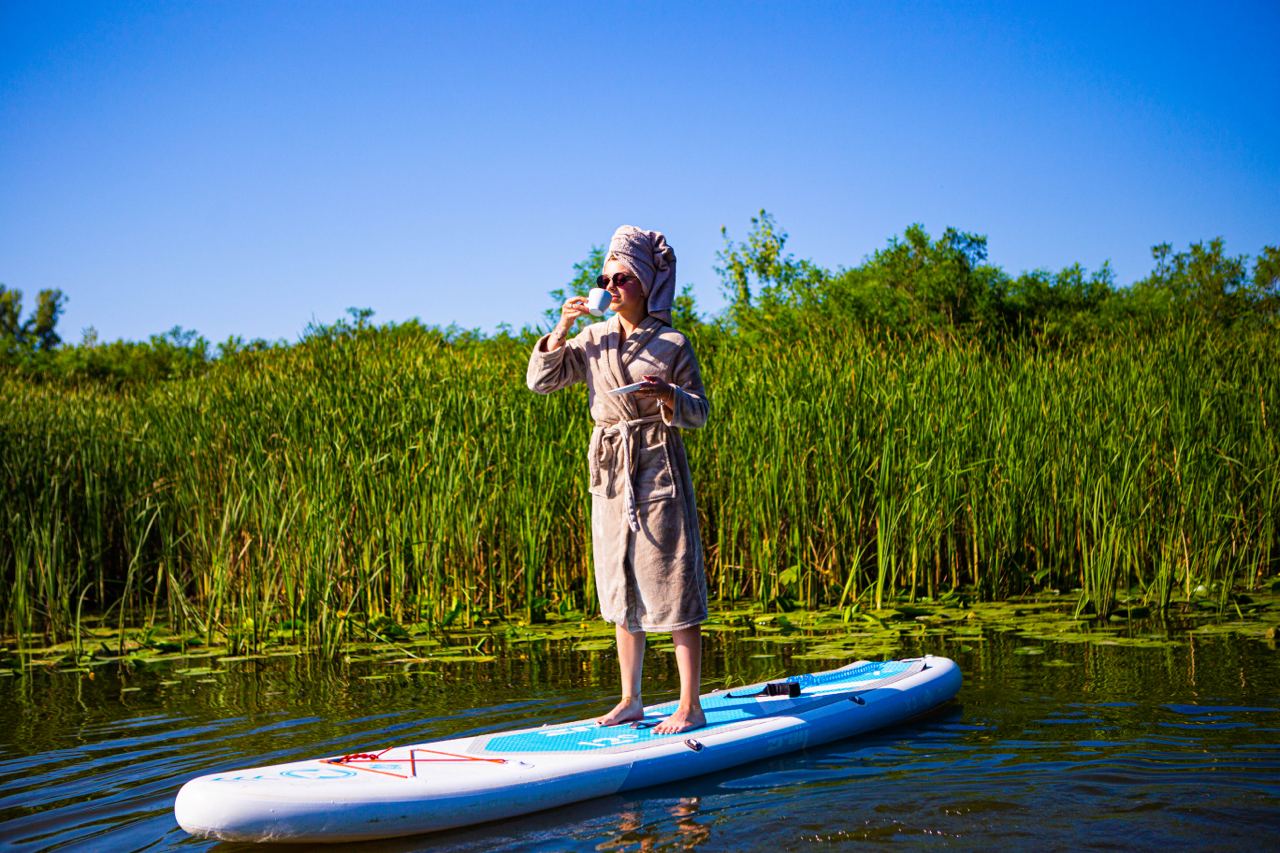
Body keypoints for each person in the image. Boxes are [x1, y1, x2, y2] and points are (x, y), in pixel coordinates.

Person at [527, 225, 709, 735]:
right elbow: (541, 382)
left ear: (646, 283)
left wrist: (669, 392)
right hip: (608, 469)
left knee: (669, 578)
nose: (611, 285)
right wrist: (560, 328)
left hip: (656, 464)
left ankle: (689, 704)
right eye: (605, 276)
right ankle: (630, 699)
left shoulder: (673, 342)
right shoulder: (592, 338)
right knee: (620, 581)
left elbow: (699, 412)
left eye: (622, 277)